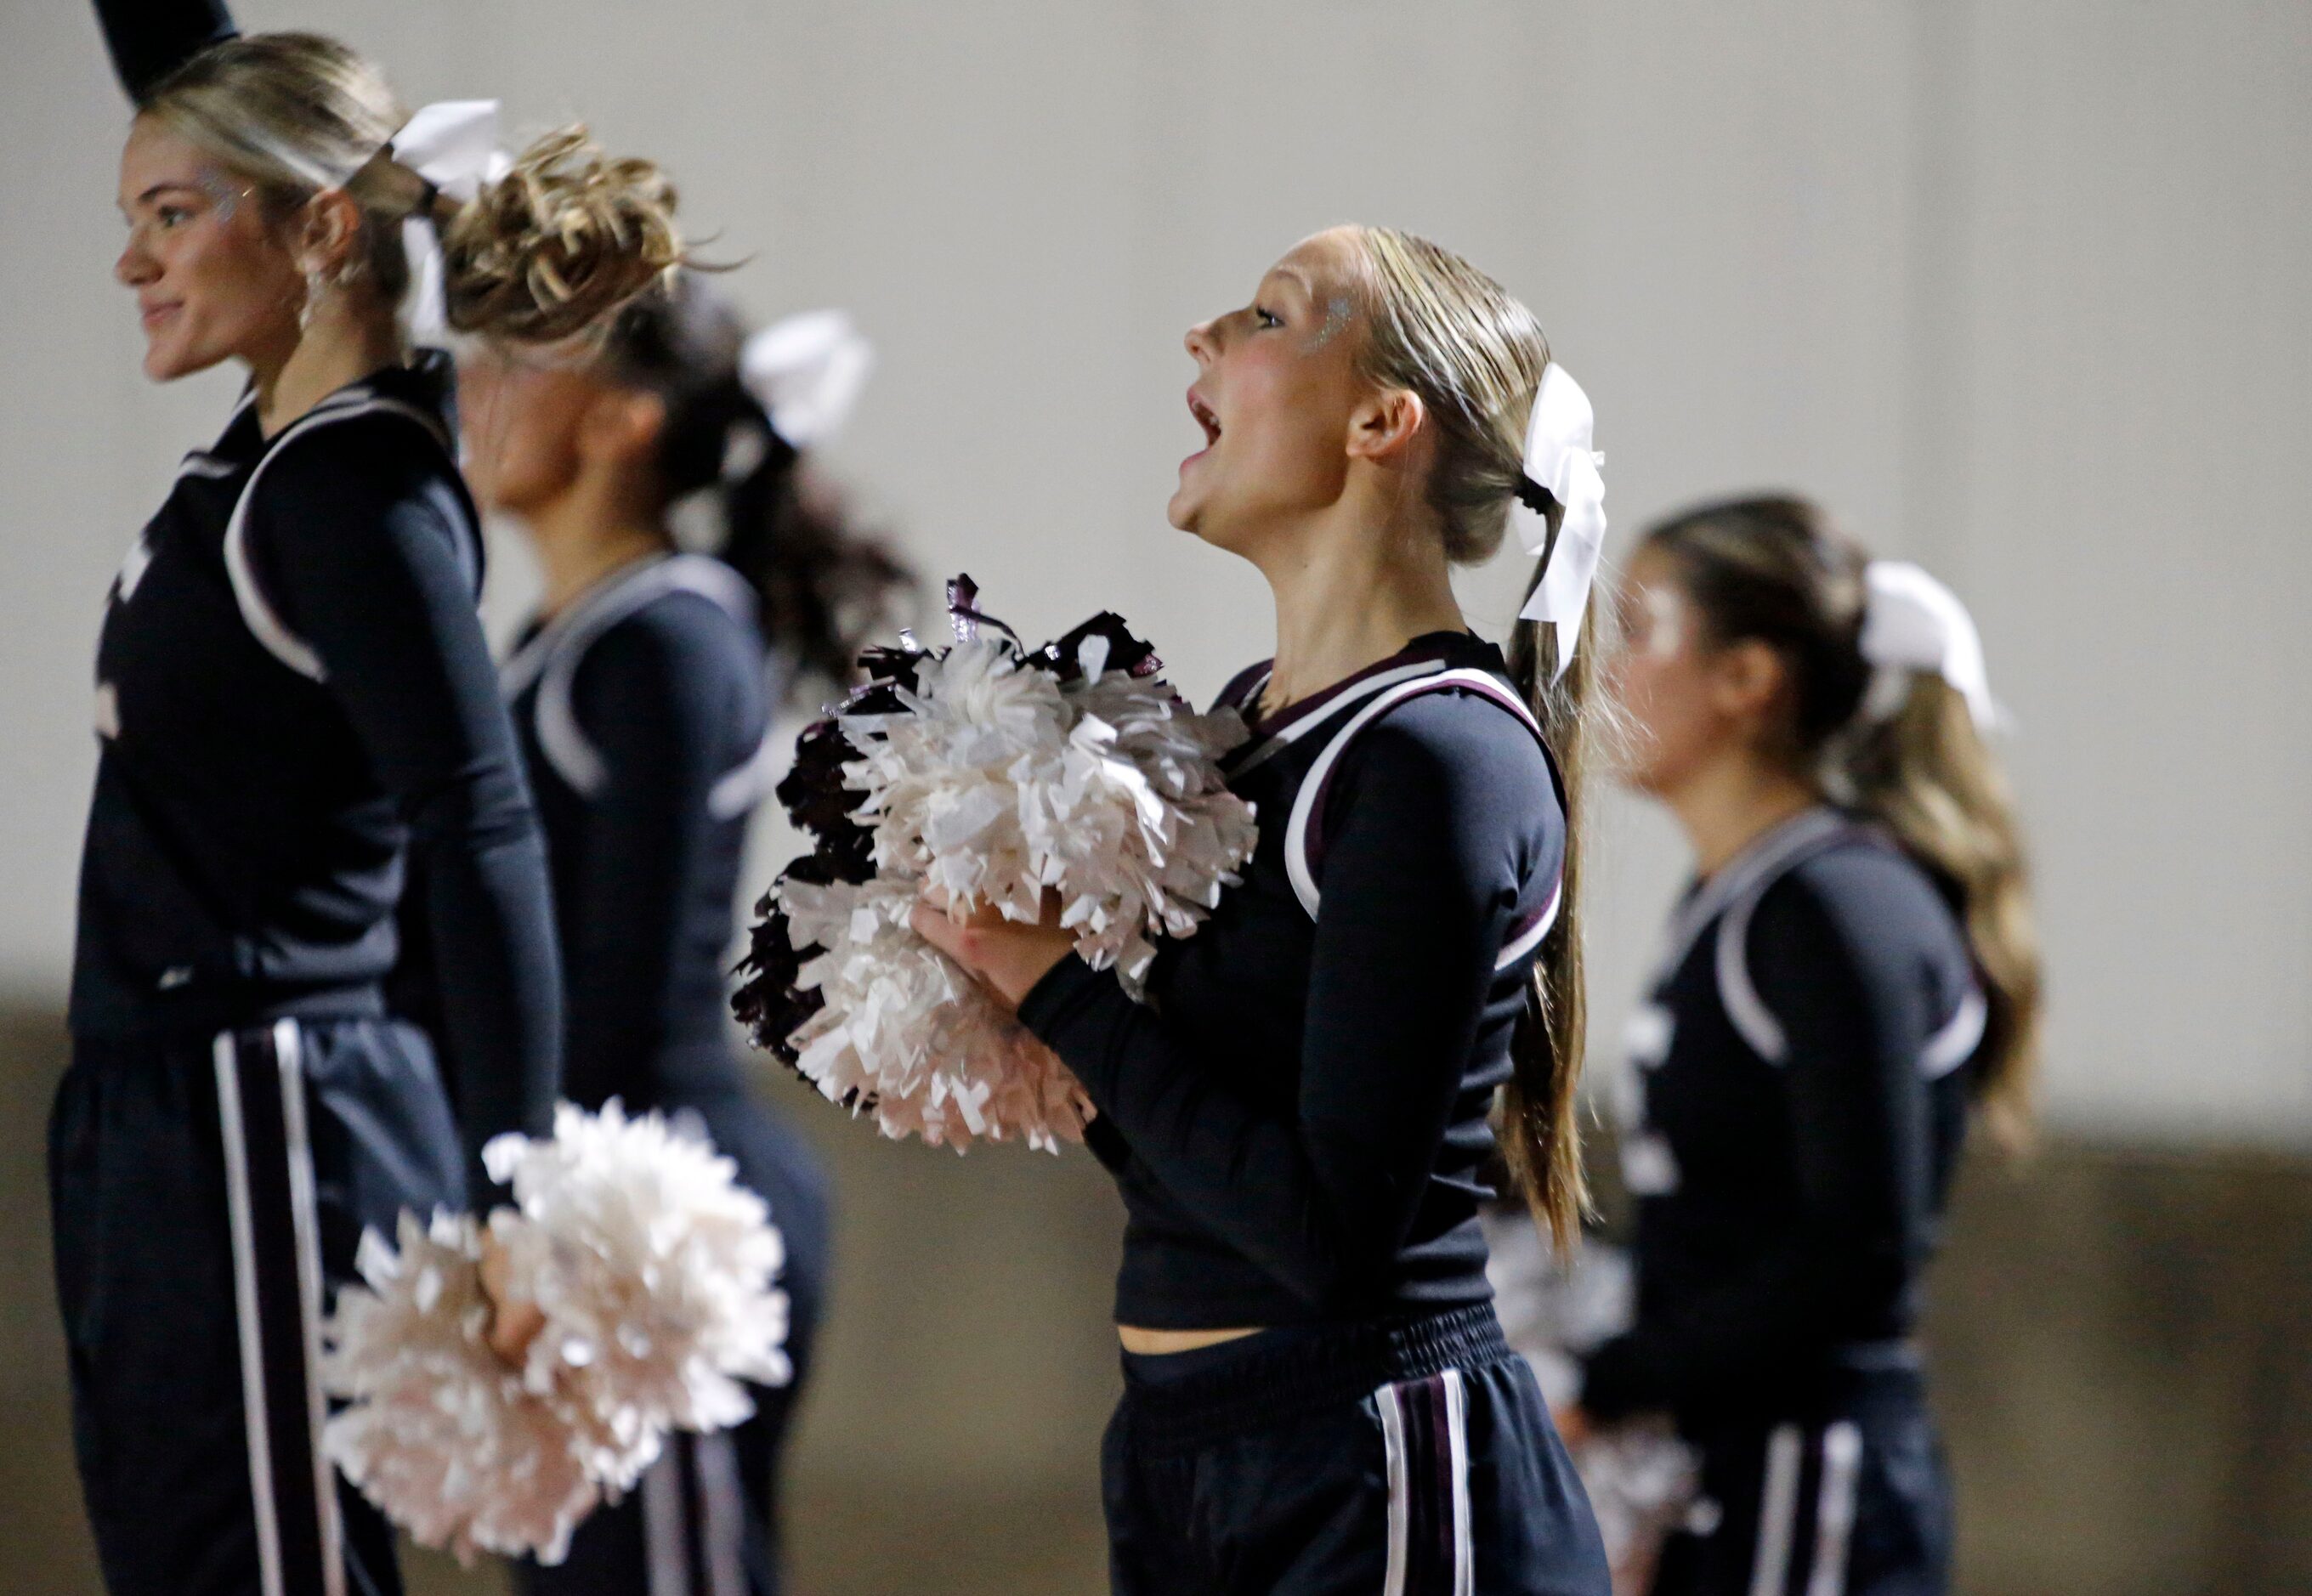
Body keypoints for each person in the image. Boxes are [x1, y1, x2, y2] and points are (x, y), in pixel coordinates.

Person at [54, 4, 683, 1592]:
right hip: (166, 1105)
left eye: (173, 215)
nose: (135, 262)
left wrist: (514, 1189)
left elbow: (482, 832)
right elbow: (204, 92)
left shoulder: (358, 495)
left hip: (267, 1104)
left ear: (322, 228)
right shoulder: (280, 456)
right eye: (132, 219)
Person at [915, 225, 1614, 1596]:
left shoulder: (1435, 754)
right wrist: (1013, 1006)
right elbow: (1205, 1163)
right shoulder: (1246, 722)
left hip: (1371, 1460)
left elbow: (1333, 1238)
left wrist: (1055, 987)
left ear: (1378, 420)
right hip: (1188, 1444)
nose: (1202, 336)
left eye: (1268, 314)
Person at [459, 275, 909, 1594]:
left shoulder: (666, 634)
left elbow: (622, 981)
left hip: (653, 1210)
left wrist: (538, 1218)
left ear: (617, 421)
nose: (468, 393)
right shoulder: (569, 629)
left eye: (509, 365)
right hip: (579, 1180)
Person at [1568, 496, 2041, 1596]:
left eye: (1643, 626)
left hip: (1810, 1474)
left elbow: (1860, 1248)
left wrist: (1607, 1385)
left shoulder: (1833, 904)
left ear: (1747, 678)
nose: (1610, 665)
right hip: (1734, 1462)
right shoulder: (1742, 890)